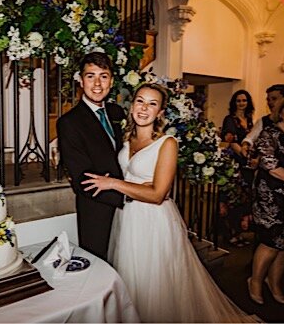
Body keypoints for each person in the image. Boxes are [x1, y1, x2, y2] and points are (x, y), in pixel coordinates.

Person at [79, 84, 255, 322]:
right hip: (127, 216)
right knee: (133, 280)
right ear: (132, 106)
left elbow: (158, 193)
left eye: (152, 104)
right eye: (140, 101)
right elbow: (130, 177)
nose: (144, 108)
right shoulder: (125, 139)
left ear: (160, 112)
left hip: (154, 220)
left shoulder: (167, 143)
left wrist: (114, 185)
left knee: (156, 285)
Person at [58, 52, 127, 262]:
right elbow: (82, 180)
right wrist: (129, 199)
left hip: (130, 208)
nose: (97, 84)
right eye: (90, 76)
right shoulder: (69, 123)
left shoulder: (118, 113)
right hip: (98, 210)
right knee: (100, 268)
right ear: (80, 80)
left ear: (112, 81)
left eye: (103, 76)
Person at [244, 95, 284, 305]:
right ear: (280, 111)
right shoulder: (269, 133)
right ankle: (255, 281)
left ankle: (275, 282)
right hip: (271, 195)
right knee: (271, 242)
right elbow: (270, 165)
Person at [221, 90, 256, 247]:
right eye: (238, 100)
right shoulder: (230, 119)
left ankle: (238, 232)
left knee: (243, 199)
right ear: (234, 103)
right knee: (232, 199)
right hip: (235, 163)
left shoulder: (249, 119)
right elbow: (231, 141)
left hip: (246, 164)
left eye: (244, 100)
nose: (241, 103)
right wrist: (244, 155)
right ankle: (230, 235)